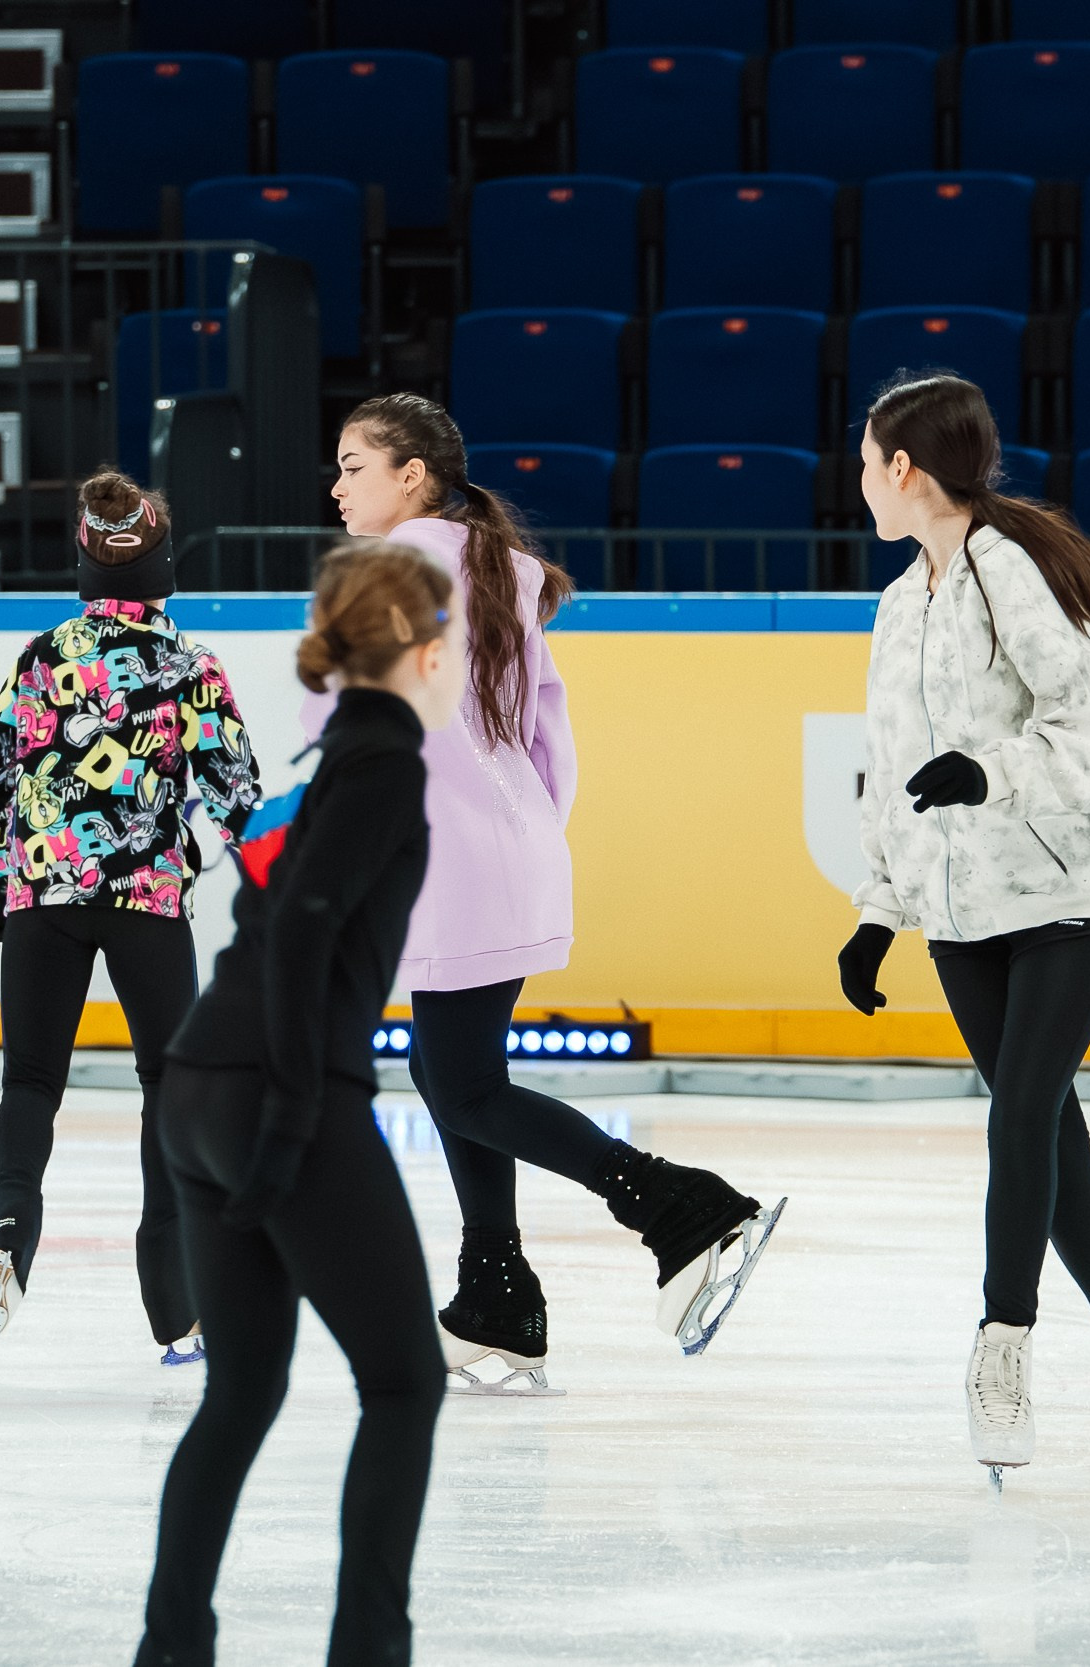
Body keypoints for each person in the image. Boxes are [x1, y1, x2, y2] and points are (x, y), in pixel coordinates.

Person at [324, 393, 784, 1391]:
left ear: (412, 473)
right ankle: (494, 1294)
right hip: (511, 847)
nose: (337, 486)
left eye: (353, 464)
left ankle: (676, 1203)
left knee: (459, 1083)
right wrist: (521, 831)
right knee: (460, 1076)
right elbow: (547, 737)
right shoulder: (505, 569)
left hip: (447, 856)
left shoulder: (386, 574)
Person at [837, 372, 1090, 1486]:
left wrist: (987, 769)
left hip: (1067, 897)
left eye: (864, 462)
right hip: (959, 914)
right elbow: (892, 773)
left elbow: (1084, 734)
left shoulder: (1016, 572)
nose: (858, 483)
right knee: (1044, 1134)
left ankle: (1002, 1349)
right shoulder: (901, 601)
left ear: (904, 468)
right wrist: (876, 912)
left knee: (1024, 1111)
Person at [134, 543, 461, 1667]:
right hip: (278, 1091)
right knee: (406, 1382)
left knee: (242, 1388)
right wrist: (286, 1117)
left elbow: (277, 918)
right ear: (425, 651)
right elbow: (307, 929)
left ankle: (169, 1647)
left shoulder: (333, 758)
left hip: (193, 1084)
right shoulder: (382, 768)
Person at [0, 468, 261, 1363]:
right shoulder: (190, 667)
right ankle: (176, 1303)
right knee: (169, 1089)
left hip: (42, 899)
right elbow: (236, 795)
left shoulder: (43, 655)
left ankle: (8, 1227)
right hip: (148, 901)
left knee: (30, 1084)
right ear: (165, 566)